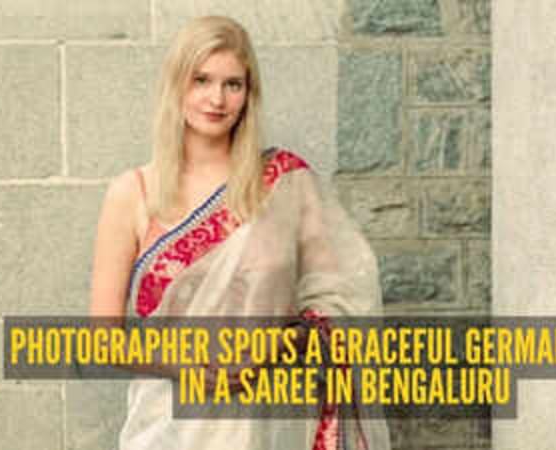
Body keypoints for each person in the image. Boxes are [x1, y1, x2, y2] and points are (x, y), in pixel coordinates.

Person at [88, 15, 390, 450]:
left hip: (270, 421)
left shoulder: (285, 183)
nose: (217, 99)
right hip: (169, 426)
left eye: (233, 84)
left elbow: (341, 302)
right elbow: (104, 341)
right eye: (202, 80)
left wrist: (279, 345)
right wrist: (182, 367)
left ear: (249, 94)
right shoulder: (132, 193)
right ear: (177, 86)